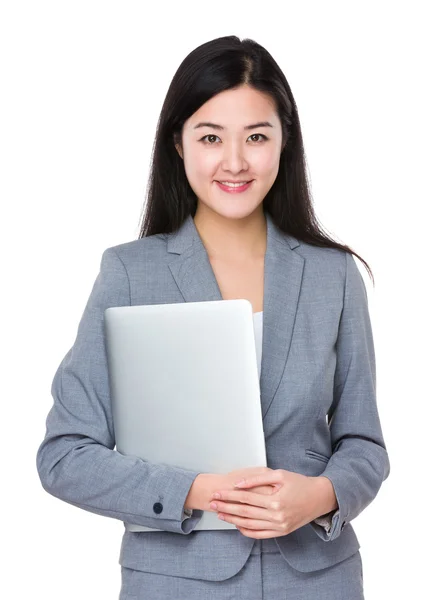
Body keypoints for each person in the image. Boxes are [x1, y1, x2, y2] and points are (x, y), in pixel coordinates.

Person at [36, 35, 390, 599]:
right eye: (210, 137)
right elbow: (66, 456)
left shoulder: (333, 275)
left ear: (284, 143)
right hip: (175, 584)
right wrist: (199, 490)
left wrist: (319, 495)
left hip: (319, 580)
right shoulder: (130, 274)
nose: (234, 161)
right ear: (178, 143)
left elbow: (364, 444)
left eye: (256, 136)